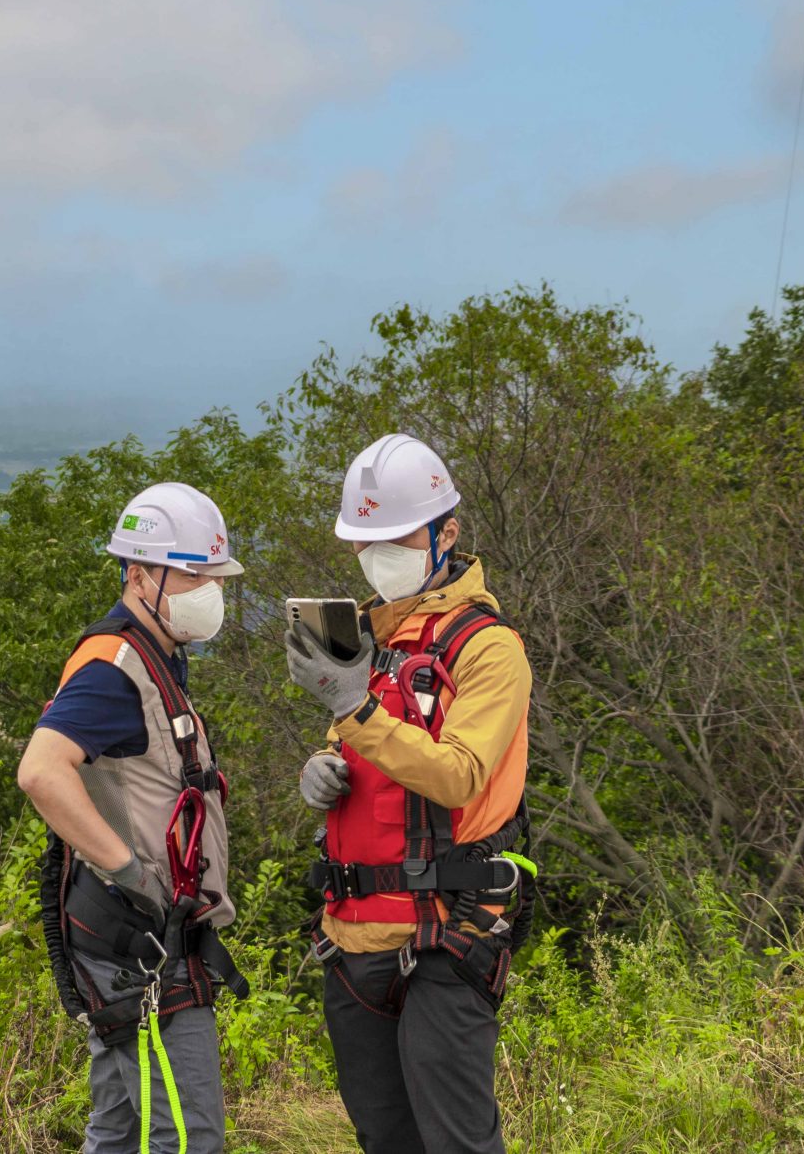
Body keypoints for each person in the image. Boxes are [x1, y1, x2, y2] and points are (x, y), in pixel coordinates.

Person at [285, 434, 534, 1154]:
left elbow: (457, 774)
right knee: (385, 1140)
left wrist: (352, 712)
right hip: (353, 933)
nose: (378, 557)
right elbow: (365, 750)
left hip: (445, 933)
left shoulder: (489, 647)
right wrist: (325, 766)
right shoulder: (374, 638)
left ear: (446, 533)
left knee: (455, 1143)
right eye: (365, 543)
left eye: (394, 539)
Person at [19, 481, 248, 1154]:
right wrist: (128, 871)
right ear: (140, 574)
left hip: (133, 942)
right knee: (187, 1138)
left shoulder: (155, 657)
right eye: (193, 574)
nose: (209, 589)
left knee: (118, 1133)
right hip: (143, 949)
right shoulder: (115, 666)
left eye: (214, 576)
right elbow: (40, 770)